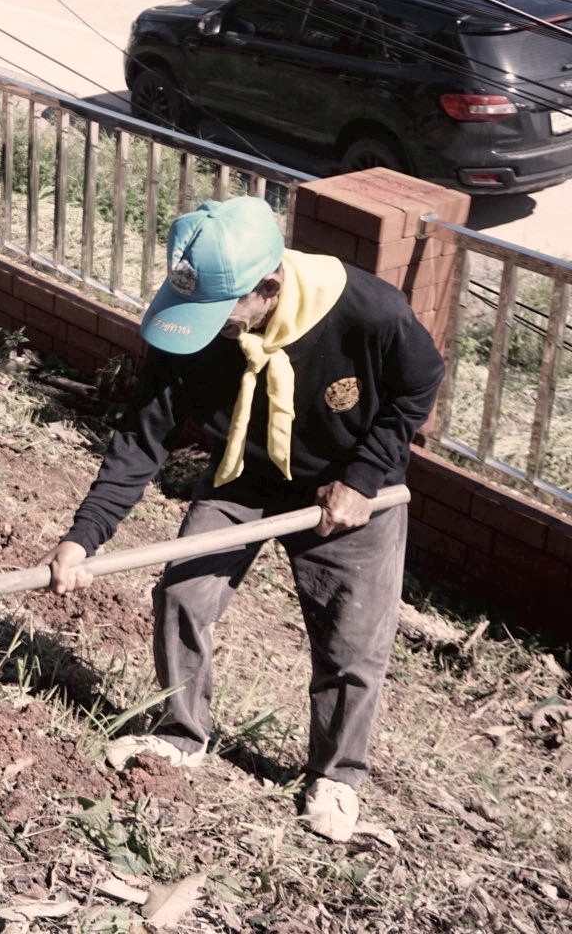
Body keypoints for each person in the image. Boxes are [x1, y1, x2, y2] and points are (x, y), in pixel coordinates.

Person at [36, 196, 444, 843]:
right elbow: (143, 439)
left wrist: (364, 478)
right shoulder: (189, 333)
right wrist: (82, 537)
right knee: (182, 593)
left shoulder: (367, 312)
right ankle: (180, 732)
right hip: (246, 474)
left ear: (269, 287)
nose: (199, 328)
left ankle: (337, 776)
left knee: (353, 638)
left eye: (217, 312)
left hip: (348, 487)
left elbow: (419, 384)